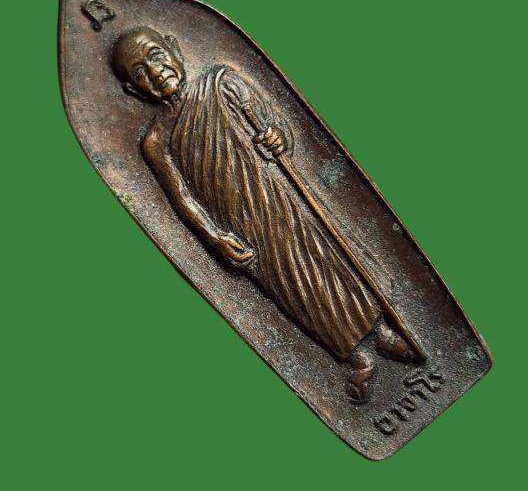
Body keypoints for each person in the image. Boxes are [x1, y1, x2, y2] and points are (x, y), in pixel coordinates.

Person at [112, 27, 417, 403]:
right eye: (141, 72)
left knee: (328, 257)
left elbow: (272, 124)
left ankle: (382, 330)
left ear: (173, 48)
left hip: (280, 196)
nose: (155, 72)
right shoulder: (156, 142)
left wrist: (276, 136)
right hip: (245, 228)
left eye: (156, 56)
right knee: (293, 288)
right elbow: (182, 198)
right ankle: (356, 356)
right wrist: (214, 237)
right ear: (132, 90)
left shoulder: (222, 83)